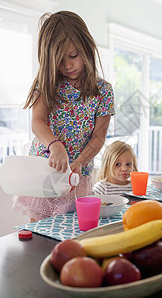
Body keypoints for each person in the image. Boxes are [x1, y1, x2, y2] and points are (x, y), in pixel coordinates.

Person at [13, 11, 115, 222]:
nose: (68, 65)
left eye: (73, 55)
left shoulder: (103, 90)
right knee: (41, 233)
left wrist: (79, 161)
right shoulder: (47, 84)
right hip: (43, 171)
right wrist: (55, 146)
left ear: (86, 48)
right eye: (59, 61)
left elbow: (98, 137)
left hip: (78, 175)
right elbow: (37, 121)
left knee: (73, 232)